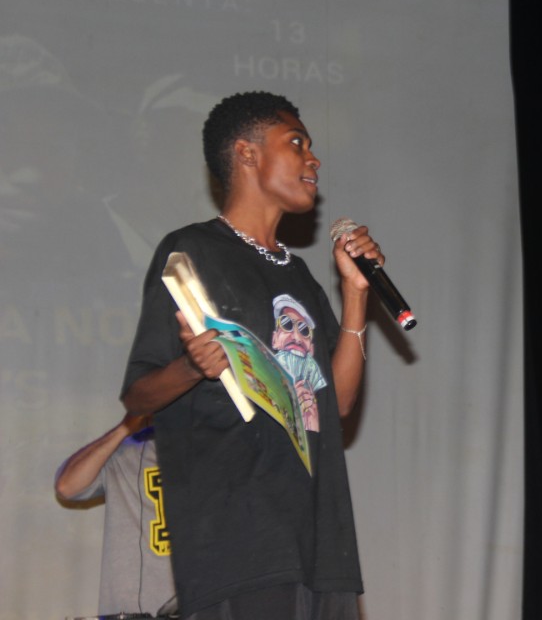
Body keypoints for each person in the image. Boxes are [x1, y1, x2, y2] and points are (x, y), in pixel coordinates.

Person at [121, 91, 379, 619]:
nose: (314, 159)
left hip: (322, 545)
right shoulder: (192, 252)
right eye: (297, 143)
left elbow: (339, 403)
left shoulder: (299, 275)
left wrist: (355, 295)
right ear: (247, 153)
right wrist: (191, 367)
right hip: (239, 544)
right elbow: (138, 395)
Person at [55, 413, 178, 617]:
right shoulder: (126, 451)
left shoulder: (218, 451)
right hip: (130, 611)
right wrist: (124, 428)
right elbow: (66, 486)